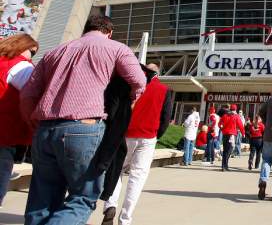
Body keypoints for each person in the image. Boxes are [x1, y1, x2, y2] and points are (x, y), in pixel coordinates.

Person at [19, 15, 146, 225]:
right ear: (110, 32)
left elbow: (27, 94)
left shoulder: (54, 52)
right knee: (83, 197)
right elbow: (138, 80)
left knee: (41, 199)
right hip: (83, 127)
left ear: (84, 30)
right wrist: (131, 99)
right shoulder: (116, 48)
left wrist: (30, 119)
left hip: (45, 128)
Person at [102, 63, 171, 225]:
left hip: (126, 133)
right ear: (158, 74)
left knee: (116, 170)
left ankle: (110, 204)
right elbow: (166, 117)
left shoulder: (131, 84)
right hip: (148, 137)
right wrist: (156, 134)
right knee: (137, 177)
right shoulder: (164, 90)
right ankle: (125, 219)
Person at [0, 34, 38, 207]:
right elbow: (34, 93)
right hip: (6, 130)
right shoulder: (22, 66)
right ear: (23, 47)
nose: (32, 56)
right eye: (32, 52)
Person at [219, 104, 245, 171]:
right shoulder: (236, 116)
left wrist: (222, 129)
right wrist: (243, 133)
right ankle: (225, 165)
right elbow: (241, 125)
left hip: (225, 134)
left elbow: (219, 124)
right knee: (230, 149)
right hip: (232, 135)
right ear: (235, 109)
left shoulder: (225, 115)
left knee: (225, 150)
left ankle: (224, 166)